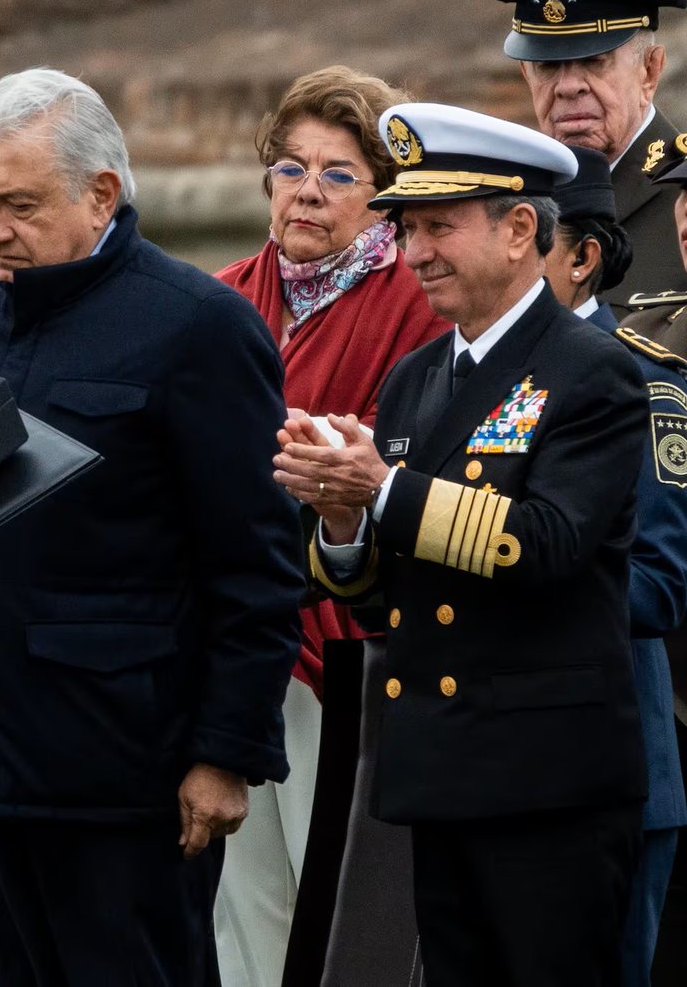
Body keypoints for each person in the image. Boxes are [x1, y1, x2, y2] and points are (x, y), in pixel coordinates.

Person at [0, 67, 304, 986]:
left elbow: (255, 562)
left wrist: (226, 754)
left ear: (101, 193)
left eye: (20, 204)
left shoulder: (198, 326)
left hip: (130, 775)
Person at [275, 102, 648, 986]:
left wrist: (383, 488)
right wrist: (341, 518)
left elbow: (547, 544)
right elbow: (381, 594)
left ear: (519, 230)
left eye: (439, 227)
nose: (415, 253)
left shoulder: (592, 369)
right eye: (407, 229)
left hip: (546, 779)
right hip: (439, 767)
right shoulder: (417, 378)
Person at [211, 64, 447, 987]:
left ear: (383, 196)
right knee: (244, 907)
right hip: (233, 639)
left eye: (338, 173)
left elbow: (403, 462)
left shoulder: (420, 306)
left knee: (346, 905)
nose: (306, 192)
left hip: (346, 642)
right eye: (290, 167)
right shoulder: (223, 297)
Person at [547, 145, 687, 986]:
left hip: (619, 767)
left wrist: (505, 562)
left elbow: (657, 587)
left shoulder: (640, 380)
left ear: (582, 258)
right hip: (508, 775)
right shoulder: (457, 379)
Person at [487, 0, 686, 318]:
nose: (568, 87)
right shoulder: (506, 204)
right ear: (526, 75)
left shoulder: (680, 196)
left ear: (650, 70)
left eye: (594, 62)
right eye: (547, 66)